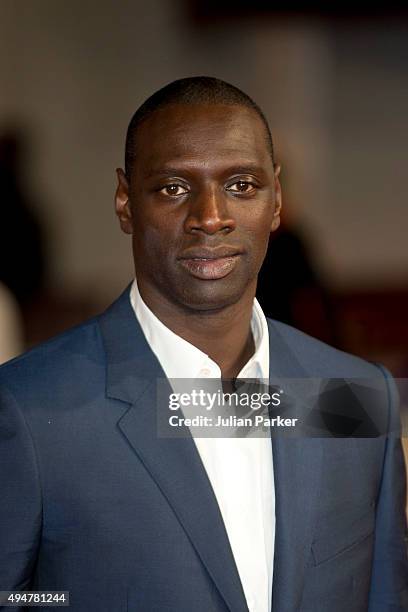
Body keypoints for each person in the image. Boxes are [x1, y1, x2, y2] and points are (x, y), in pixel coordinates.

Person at [0, 77, 407, 612]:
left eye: (241, 185)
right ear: (125, 202)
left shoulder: (352, 394)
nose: (210, 217)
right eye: (174, 187)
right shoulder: (26, 409)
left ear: (277, 200)